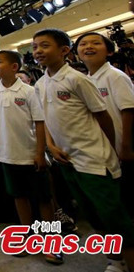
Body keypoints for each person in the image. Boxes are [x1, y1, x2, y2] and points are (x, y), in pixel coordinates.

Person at [32, 28, 134, 272]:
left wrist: (111, 149)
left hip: (95, 161)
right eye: (35, 47)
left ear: (64, 51)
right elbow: (45, 119)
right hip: (68, 161)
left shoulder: (77, 79)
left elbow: (104, 117)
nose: (38, 51)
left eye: (45, 45)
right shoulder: (41, 83)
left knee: (116, 218)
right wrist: (50, 145)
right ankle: (116, 260)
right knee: (93, 216)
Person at [0, 51, 61, 264]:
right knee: (19, 197)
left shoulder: (29, 91)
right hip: (7, 155)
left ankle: (52, 241)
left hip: (30, 154)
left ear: (14, 67)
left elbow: (39, 122)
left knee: (44, 199)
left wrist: (39, 152)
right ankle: (28, 236)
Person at [75, 32, 134, 219]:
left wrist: (126, 146)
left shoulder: (115, 76)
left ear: (109, 51)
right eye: (83, 44)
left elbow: (129, 111)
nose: (88, 47)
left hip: (122, 148)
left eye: (95, 43)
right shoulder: (87, 80)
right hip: (105, 150)